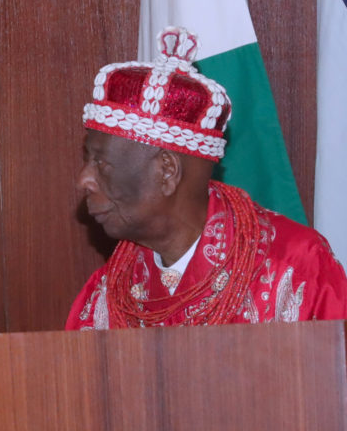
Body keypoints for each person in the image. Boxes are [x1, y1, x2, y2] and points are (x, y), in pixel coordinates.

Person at [66, 26, 347, 330]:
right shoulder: (106, 294)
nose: (84, 180)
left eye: (101, 162)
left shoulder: (297, 269)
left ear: (167, 171)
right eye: (87, 160)